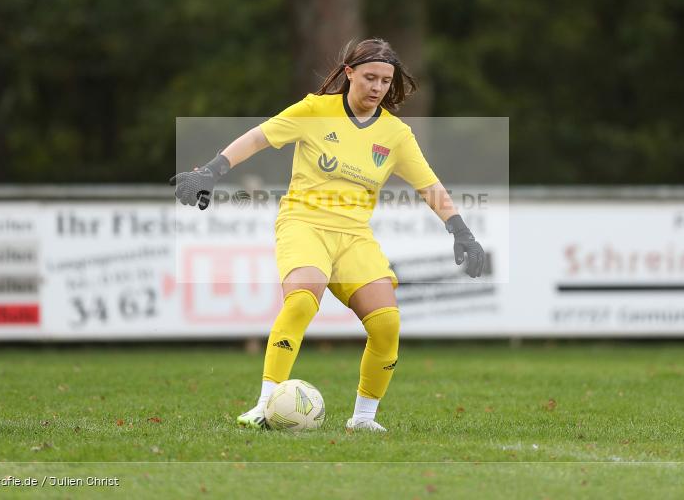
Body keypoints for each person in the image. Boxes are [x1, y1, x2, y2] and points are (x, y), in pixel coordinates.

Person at [171, 38, 485, 432]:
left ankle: (363, 419)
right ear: (349, 72)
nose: (377, 87)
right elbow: (258, 137)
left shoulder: (396, 134)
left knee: (386, 325)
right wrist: (210, 172)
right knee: (302, 301)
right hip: (304, 223)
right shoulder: (315, 110)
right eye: (370, 77)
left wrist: (460, 231)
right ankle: (265, 405)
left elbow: (429, 186)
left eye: (386, 81)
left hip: (354, 237)